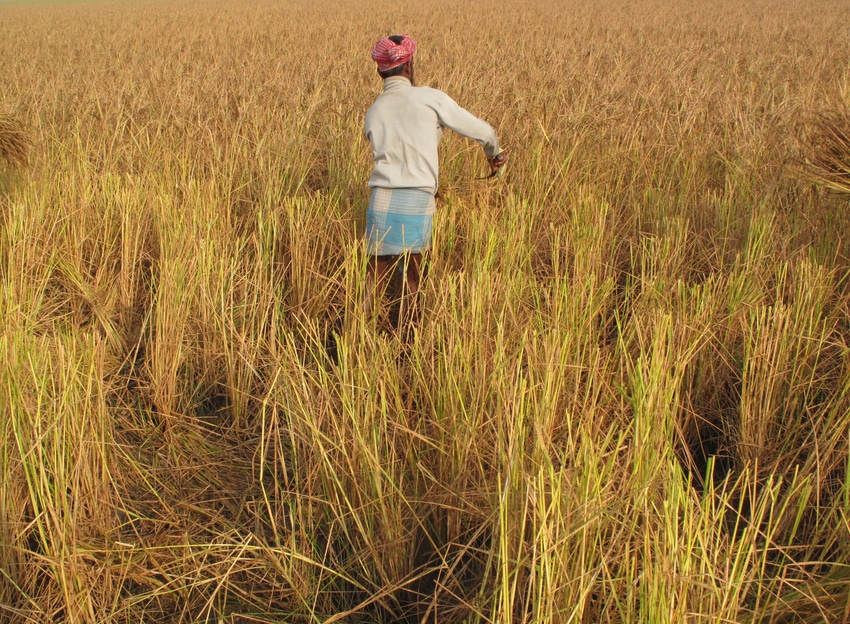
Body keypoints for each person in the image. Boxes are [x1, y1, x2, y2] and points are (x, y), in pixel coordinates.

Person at [363, 34, 507, 325]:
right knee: (413, 282)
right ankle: (408, 345)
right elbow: (482, 131)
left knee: (372, 284)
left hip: (380, 201)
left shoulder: (374, 111)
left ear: (380, 70)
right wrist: (495, 153)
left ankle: (361, 341)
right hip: (416, 200)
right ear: (409, 66)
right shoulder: (429, 98)